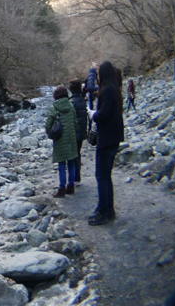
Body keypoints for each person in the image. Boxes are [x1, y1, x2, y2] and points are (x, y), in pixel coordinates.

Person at [89, 60, 125, 225]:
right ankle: (105, 209)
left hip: (107, 139)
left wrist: (92, 114)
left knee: (101, 176)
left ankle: (104, 212)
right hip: (113, 137)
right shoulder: (114, 89)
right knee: (105, 176)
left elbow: (103, 115)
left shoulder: (108, 91)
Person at [46, 86, 78, 198]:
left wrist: (50, 134)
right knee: (71, 162)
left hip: (59, 139)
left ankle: (62, 188)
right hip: (71, 138)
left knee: (61, 164)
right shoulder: (71, 106)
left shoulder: (54, 107)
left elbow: (48, 125)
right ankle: (71, 186)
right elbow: (75, 122)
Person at [68, 80, 87, 182]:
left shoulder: (71, 102)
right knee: (77, 152)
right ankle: (77, 176)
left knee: (72, 154)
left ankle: (74, 177)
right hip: (82, 131)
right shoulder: (82, 100)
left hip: (73, 132)